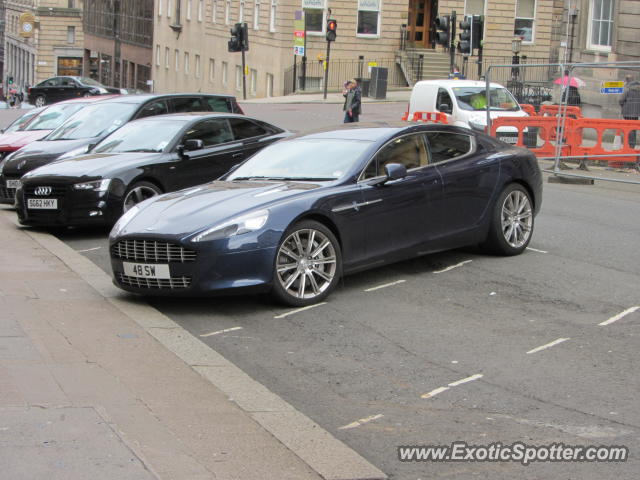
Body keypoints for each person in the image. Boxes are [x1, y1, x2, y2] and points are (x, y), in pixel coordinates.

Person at [620, 75, 640, 148]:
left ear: (628, 80)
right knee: (634, 129)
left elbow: (621, 100)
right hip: (636, 113)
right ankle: (632, 145)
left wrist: (622, 106)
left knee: (627, 128)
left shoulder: (627, 89)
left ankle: (628, 145)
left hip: (627, 112)